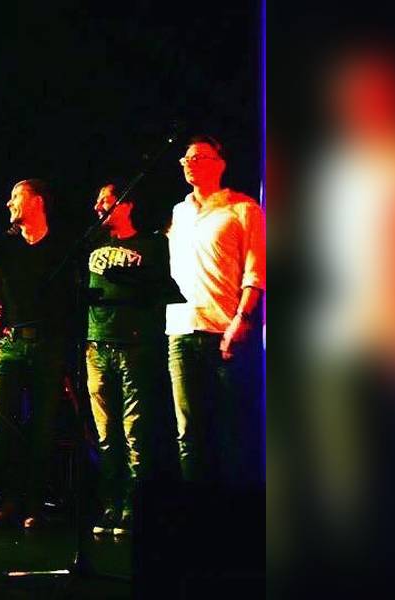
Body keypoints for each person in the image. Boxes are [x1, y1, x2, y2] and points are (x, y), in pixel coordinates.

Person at [165, 135, 265, 486]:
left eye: (199, 157)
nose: (189, 163)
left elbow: (256, 270)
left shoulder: (243, 209)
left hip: (227, 331)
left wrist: (243, 317)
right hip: (183, 329)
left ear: (220, 164)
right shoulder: (179, 212)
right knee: (189, 431)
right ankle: (197, 509)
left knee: (232, 430)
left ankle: (236, 511)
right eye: (186, 159)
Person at [83, 185, 178, 535]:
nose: (98, 206)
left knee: (135, 431)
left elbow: (160, 291)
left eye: (105, 200)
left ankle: (134, 507)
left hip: (135, 345)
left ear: (126, 204)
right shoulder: (92, 243)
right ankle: (110, 504)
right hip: (96, 345)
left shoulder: (152, 245)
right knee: (105, 433)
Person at [0, 179, 75, 528]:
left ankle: (35, 504)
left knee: (42, 426)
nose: (9, 203)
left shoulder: (62, 248)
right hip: (10, 343)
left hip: (48, 344)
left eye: (16, 196)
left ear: (37, 201)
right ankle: (11, 499)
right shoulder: (4, 248)